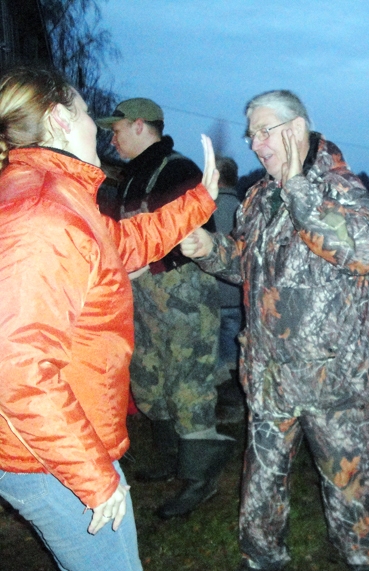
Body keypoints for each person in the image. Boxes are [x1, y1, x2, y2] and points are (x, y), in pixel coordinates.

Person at [0, 66, 219, 571]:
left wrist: (197, 203)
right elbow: (16, 369)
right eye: (82, 111)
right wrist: (94, 478)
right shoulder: (42, 212)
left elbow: (118, 246)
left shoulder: (55, 195)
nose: (98, 129)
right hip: (49, 452)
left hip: (56, 440)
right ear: (56, 119)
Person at [180, 90, 369, 571]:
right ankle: (261, 553)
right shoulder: (257, 198)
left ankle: (360, 551)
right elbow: (245, 267)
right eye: (251, 133)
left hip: (337, 376)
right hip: (272, 372)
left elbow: (366, 250)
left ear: (297, 128)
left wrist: (297, 186)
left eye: (264, 131)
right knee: (262, 477)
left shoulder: (339, 186)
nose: (255, 143)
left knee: (349, 478)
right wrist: (210, 249)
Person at [97, 98, 232, 520]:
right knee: (150, 378)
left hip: (184, 295)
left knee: (189, 383)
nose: (111, 137)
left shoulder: (179, 171)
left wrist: (150, 262)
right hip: (142, 297)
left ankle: (200, 479)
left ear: (140, 125)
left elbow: (198, 232)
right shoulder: (127, 179)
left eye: (116, 129)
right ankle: (173, 459)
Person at [212, 156, 246, 424]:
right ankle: (234, 409)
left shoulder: (209, 209)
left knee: (219, 359)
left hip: (214, 298)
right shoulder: (243, 208)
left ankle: (225, 410)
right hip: (236, 297)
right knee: (234, 356)